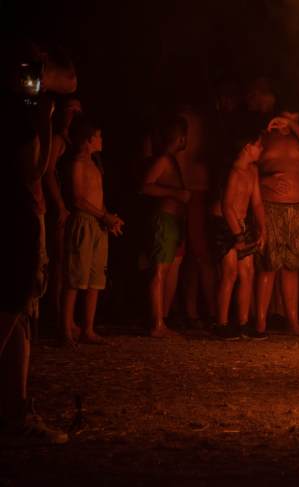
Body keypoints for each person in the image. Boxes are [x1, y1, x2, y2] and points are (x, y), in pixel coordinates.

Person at [1, 41, 76, 444]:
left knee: (19, 318)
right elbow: (33, 170)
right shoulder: (17, 112)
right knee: (10, 312)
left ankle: (15, 411)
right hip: (13, 219)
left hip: (17, 218)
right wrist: (46, 121)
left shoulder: (16, 108)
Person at [254, 112, 299, 337]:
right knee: (268, 265)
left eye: (296, 118)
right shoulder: (263, 137)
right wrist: (267, 180)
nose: (291, 121)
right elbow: (244, 167)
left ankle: (293, 323)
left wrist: (293, 125)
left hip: (298, 207)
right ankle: (260, 324)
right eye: (287, 116)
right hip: (270, 206)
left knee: (292, 267)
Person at [60, 118, 123, 346]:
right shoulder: (77, 163)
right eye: (99, 136)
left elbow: (97, 197)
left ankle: (88, 329)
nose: (102, 140)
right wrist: (102, 215)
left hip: (98, 224)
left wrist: (109, 218)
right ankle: (66, 330)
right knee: (75, 278)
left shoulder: (94, 164)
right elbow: (77, 199)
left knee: (96, 279)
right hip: (84, 223)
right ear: (89, 140)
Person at [210, 136, 266, 340]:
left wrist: (262, 229)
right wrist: (238, 236)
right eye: (259, 145)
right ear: (247, 147)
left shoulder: (253, 171)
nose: (262, 149)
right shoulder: (233, 172)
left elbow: (257, 203)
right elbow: (226, 206)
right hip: (225, 224)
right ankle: (221, 323)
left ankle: (243, 323)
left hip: (242, 224)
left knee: (248, 272)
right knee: (230, 273)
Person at [140, 116, 190, 338]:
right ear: (181, 138)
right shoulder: (163, 160)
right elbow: (144, 186)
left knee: (170, 268)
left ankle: (163, 319)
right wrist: (175, 193)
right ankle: (156, 324)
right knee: (159, 270)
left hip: (174, 222)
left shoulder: (171, 159)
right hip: (164, 220)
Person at [45, 97, 82, 327]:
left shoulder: (70, 139)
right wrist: (59, 204)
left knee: (66, 261)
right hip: (60, 206)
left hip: (69, 205)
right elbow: (48, 172)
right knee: (58, 261)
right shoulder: (57, 138)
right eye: (70, 110)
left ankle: (64, 317)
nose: (74, 115)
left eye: (78, 111)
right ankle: (58, 316)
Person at [178, 107, 216, 328]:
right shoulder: (194, 119)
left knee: (196, 255)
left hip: (194, 190)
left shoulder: (197, 119)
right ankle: (203, 311)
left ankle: (200, 310)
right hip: (190, 189)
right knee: (195, 255)